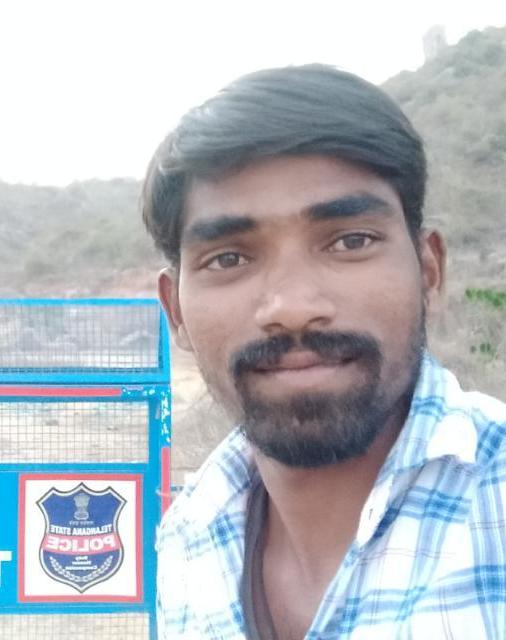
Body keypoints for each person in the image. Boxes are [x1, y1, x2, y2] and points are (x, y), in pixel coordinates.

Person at [142, 64, 506, 639]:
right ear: (176, 312)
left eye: (350, 241)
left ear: (429, 272)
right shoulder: (187, 539)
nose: (292, 307)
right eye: (229, 258)